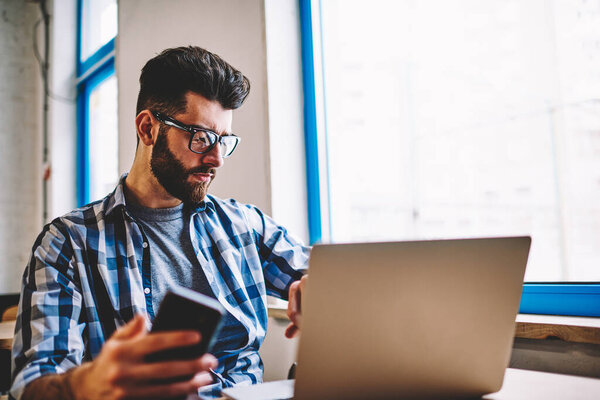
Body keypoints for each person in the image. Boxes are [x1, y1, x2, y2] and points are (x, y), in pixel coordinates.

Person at [10, 46, 310, 400]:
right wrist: (86, 383)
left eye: (224, 141)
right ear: (148, 128)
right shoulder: (68, 243)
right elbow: (32, 385)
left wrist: (317, 287)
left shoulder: (244, 226)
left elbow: (336, 277)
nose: (217, 159)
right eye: (201, 138)